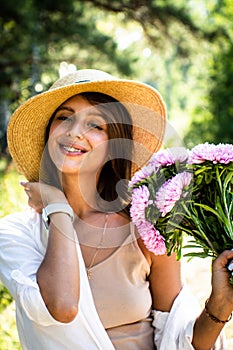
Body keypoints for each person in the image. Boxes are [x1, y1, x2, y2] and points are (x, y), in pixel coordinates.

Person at [0, 68, 233, 350]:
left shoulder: (146, 230)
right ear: (49, 131)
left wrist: (219, 307)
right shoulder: (15, 234)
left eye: (95, 125)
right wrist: (57, 204)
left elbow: (178, 338)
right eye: (64, 117)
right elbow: (61, 306)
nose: (75, 132)